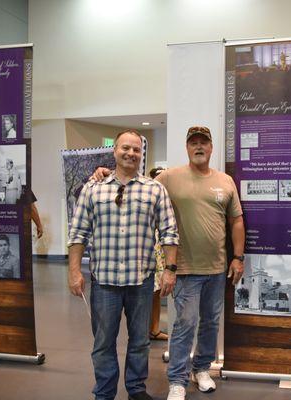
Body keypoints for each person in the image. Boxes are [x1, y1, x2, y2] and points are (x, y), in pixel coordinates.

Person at [94, 126, 245, 400]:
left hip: (218, 267)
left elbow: (236, 220)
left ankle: (201, 369)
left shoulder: (225, 181)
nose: (199, 147)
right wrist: (104, 172)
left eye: (204, 143)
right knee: (185, 324)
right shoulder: (169, 178)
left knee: (210, 322)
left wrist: (238, 256)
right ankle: (177, 378)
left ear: (211, 148)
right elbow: (133, 182)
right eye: (193, 143)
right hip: (185, 268)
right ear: (187, 148)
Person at [68, 130, 179, 400]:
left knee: (140, 342)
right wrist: (73, 272)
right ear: (115, 151)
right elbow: (77, 233)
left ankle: (136, 390)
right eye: (125, 148)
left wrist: (170, 270)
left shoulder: (155, 190)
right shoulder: (93, 189)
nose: (130, 153)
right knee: (103, 343)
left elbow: (169, 232)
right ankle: (104, 392)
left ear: (142, 153)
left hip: (140, 282)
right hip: (104, 282)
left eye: (136, 149)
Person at [148, 166, 169, 341]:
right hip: (150, 251)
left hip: (162, 250)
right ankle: (148, 329)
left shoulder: (167, 199)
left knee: (156, 292)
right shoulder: (147, 195)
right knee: (148, 292)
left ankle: (154, 329)